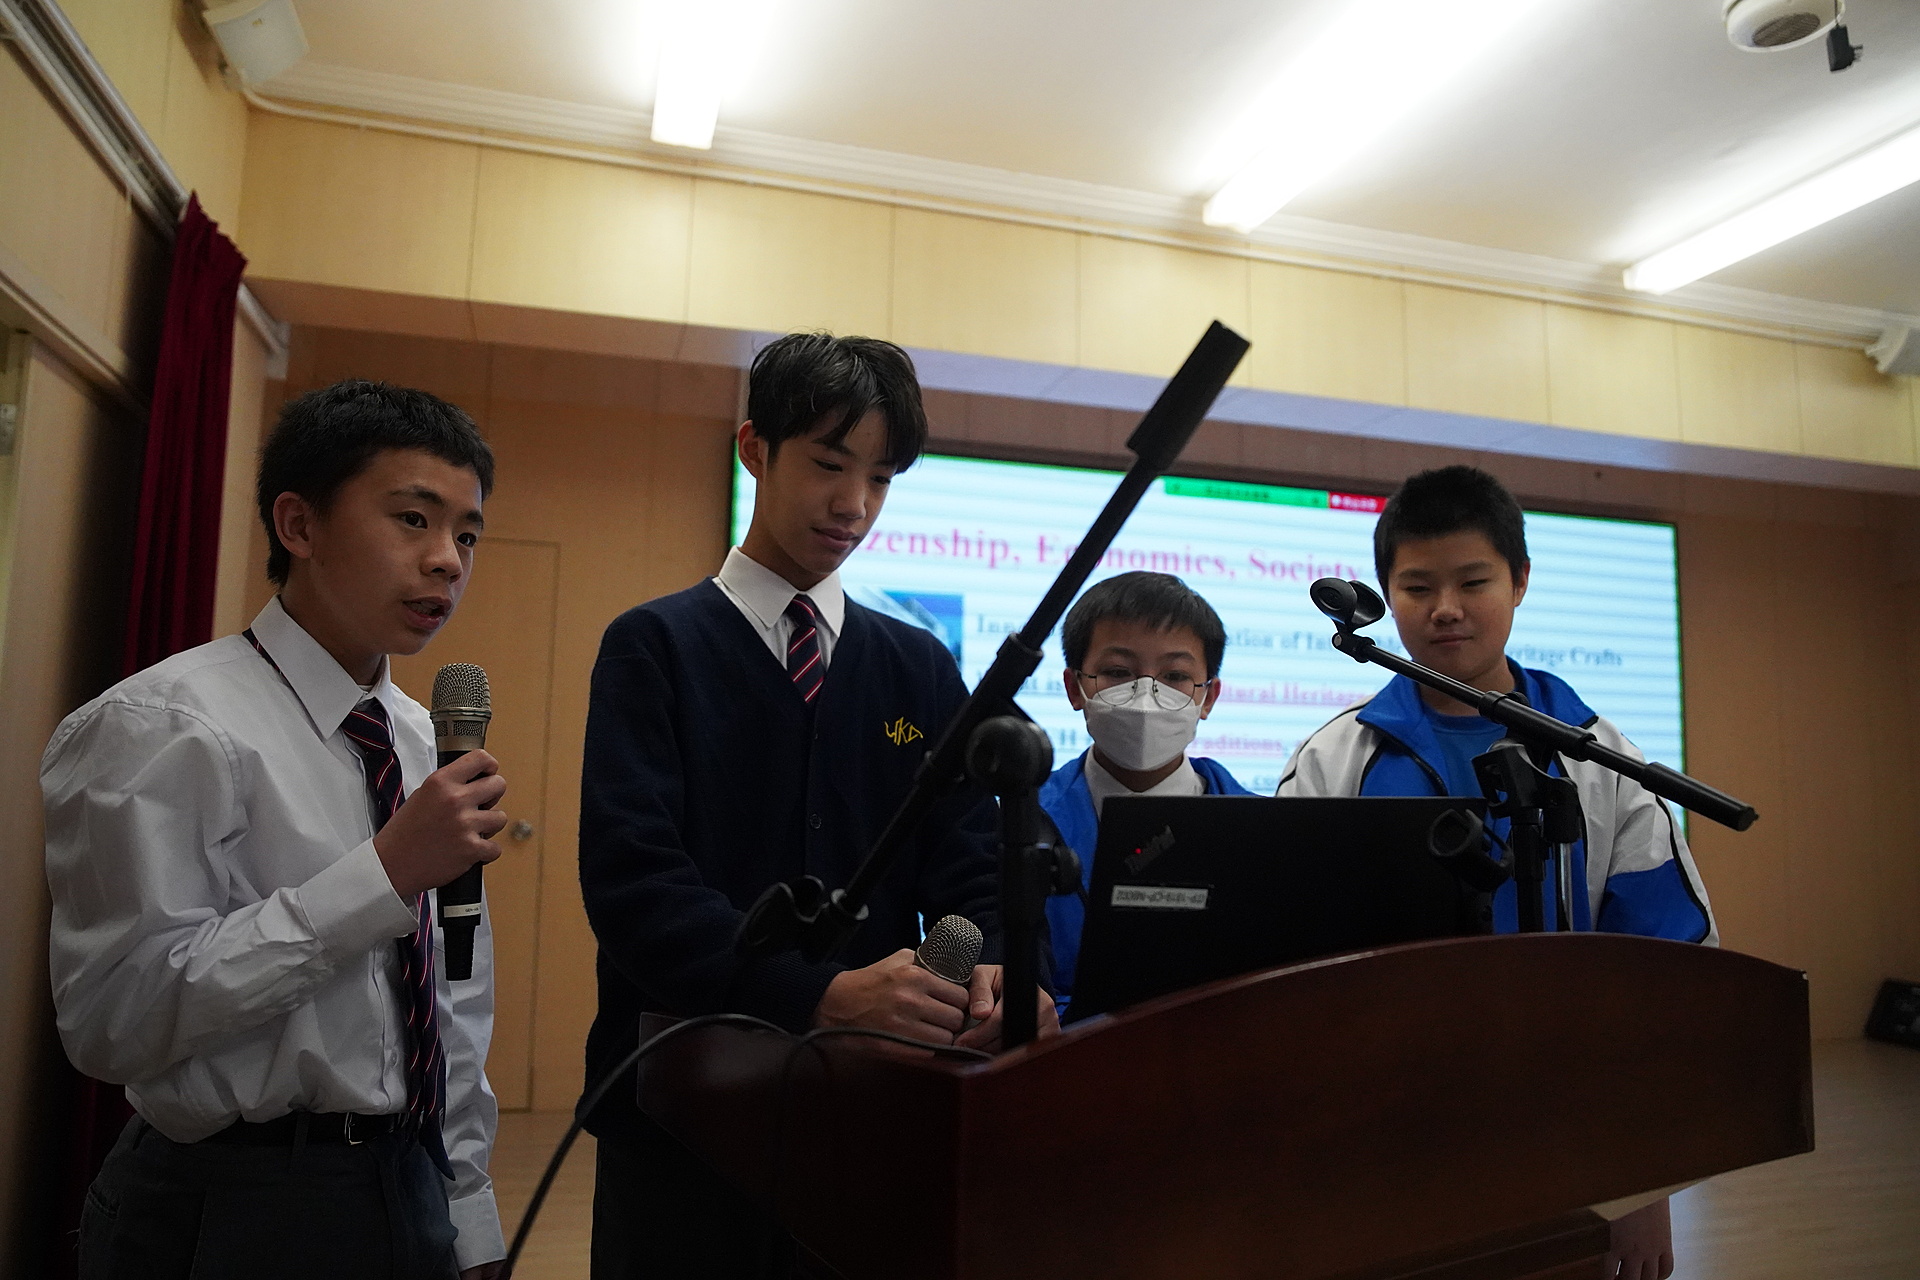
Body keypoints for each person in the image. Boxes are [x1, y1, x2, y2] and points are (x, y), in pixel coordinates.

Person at [577, 332, 1057, 1280]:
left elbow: (969, 861)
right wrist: (814, 992)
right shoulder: (655, 646)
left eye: (881, 478)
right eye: (830, 465)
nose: (854, 505)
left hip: (869, 1116)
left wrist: (997, 966)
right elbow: (635, 886)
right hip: (682, 1115)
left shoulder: (916, 664)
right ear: (755, 449)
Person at [44, 380, 510, 1279]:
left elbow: (453, 995)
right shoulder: (164, 724)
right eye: (413, 520)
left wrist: (468, 1205)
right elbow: (112, 1021)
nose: (447, 561)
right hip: (230, 1197)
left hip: (408, 1182)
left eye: (466, 534)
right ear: (298, 525)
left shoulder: (424, 739)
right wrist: (378, 878)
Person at [1278, 463, 1710, 1280]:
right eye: (1417, 587)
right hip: (1375, 1151)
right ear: (1384, 595)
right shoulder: (1335, 760)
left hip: (1568, 1153)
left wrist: (1643, 1180)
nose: (1445, 608)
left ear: (1520, 581)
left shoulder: (1601, 756)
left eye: (1473, 582)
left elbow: (1667, 970)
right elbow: (1284, 964)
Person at [1039, 571, 1250, 1008]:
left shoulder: (1262, 829)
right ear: (1075, 688)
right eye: (1118, 672)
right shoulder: (1020, 824)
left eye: (1175, 675)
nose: (1146, 696)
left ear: (1208, 697)